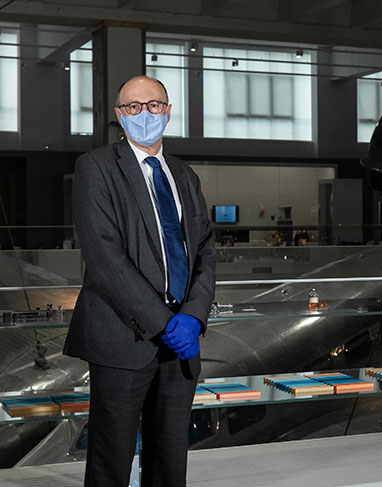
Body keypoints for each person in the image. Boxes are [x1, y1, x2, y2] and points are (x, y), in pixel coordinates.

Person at [64, 75, 216, 487]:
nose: (144, 113)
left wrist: (192, 318)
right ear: (119, 115)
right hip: (123, 339)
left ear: (167, 111)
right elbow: (104, 258)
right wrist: (164, 323)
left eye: (153, 105)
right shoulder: (96, 167)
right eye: (133, 106)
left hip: (180, 343)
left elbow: (204, 252)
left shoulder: (185, 176)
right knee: (110, 462)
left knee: (170, 460)